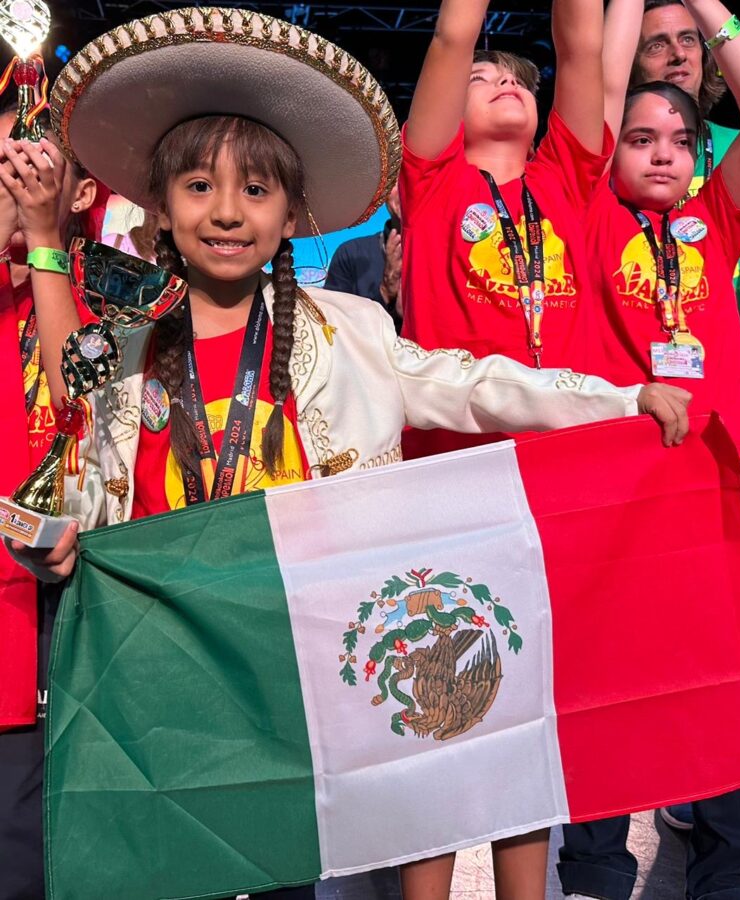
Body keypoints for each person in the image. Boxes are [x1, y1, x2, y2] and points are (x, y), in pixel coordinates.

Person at [3, 8, 689, 900]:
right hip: (162, 677)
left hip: (297, 673)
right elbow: (74, 434)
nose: (226, 213)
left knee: (284, 877)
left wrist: (622, 397)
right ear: (164, 209)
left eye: (255, 192)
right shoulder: (123, 341)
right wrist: (58, 542)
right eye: (200, 188)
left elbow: (478, 383)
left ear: (292, 215)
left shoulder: (354, 335)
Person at [396, 0, 613, 893]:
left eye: (516, 79)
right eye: (485, 79)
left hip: (553, 485)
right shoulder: (433, 178)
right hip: (447, 481)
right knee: (441, 715)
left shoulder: (569, 178)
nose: (503, 82)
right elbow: (454, 34)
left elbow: (583, 40)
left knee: (527, 720)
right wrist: (466, 45)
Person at [558, 0, 740, 897]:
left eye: (679, 137)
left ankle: (722, 873)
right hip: (615, 514)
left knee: (722, 696)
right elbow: (598, 78)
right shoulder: (591, 214)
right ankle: (594, 875)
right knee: (605, 708)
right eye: (640, 137)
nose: (663, 149)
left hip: (716, 509)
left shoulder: (718, 215)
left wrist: (714, 14)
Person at [0, 107, 105, 897]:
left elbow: (83, 395)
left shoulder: (115, 311)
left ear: (81, 192)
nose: (13, 173)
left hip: (71, 651)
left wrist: (40, 246)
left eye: (31, 160)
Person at [629, 0, 740, 318]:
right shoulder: (611, 158)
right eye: (657, 45)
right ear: (631, 63)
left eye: (689, 39)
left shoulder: (734, 146)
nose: (678, 54)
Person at [324, 181, 403, 331]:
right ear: (384, 193)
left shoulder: (452, 255)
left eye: (412, 180)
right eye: (396, 182)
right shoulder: (350, 255)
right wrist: (385, 291)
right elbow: (334, 330)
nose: (404, 189)